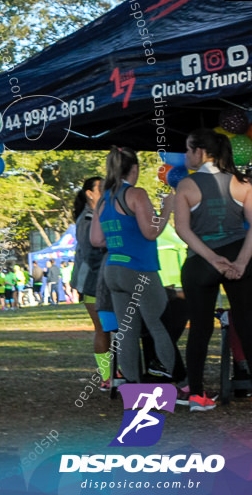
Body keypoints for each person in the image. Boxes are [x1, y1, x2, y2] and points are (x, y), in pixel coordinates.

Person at [174, 128, 252, 412]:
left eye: (187, 149)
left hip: (200, 261)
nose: (185, 156)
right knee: (247, 324)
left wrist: (211, 258)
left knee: (200, 329)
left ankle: (197, 395)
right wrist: (240, 262)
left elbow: (182, 228)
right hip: (238, 255)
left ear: (200, 152)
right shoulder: (242, 182)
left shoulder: (186, 185)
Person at [90, 146, 176, 386]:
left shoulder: (103, 200)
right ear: (134, 169)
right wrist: (167, 208)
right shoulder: (136, 194)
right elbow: (151, 232)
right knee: (159, 325)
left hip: (114, 270)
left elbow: (96, 240)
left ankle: (132, 385)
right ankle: (178, 381)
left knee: (126, 331)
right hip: (139, 268)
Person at [71, 177, 112, 390]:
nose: (106, 191)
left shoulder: (100, 215)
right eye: (101, 188)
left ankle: (118, 372)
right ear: (90, 193)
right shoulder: (87, 218)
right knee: (103, 329)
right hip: (92, 282)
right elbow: (91, 252)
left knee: (113, 329)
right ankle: (106, 376)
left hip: (104, 280)